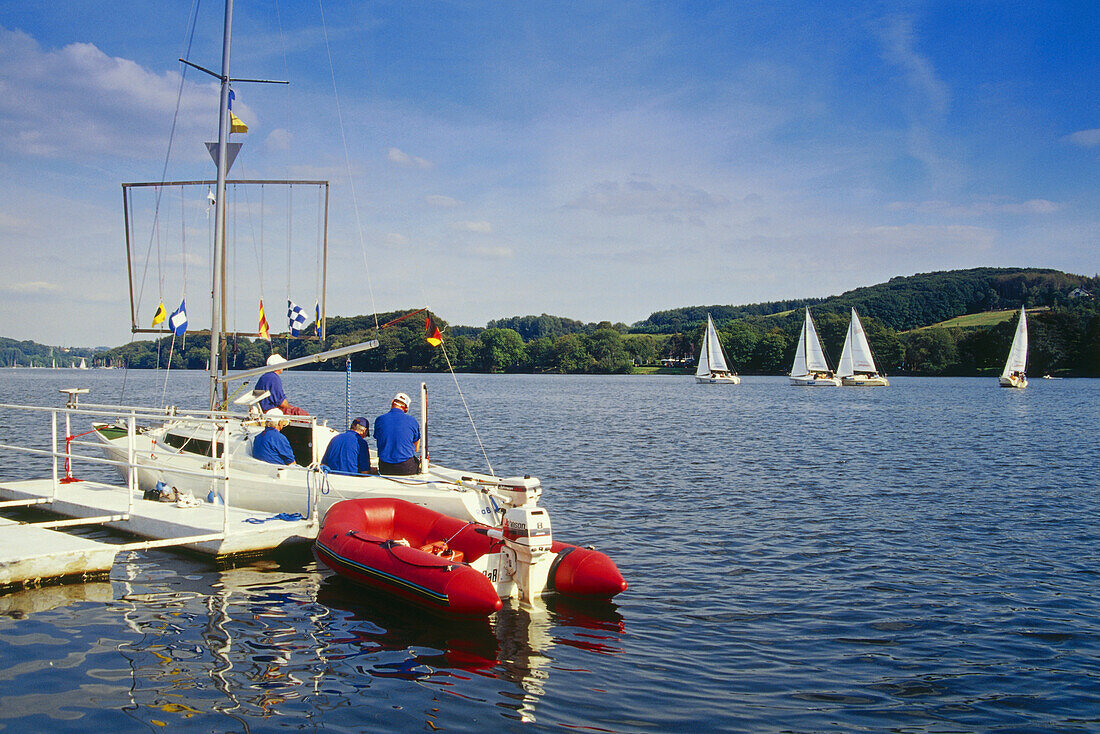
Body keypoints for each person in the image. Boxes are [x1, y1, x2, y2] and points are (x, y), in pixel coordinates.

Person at [374, 392, 421, 476]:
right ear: (406, 408)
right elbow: (416, 448)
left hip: (385, 467)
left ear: (392, 402)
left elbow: (379, 439)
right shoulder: (412, 421)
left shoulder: (379, 420)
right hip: (406, 467)